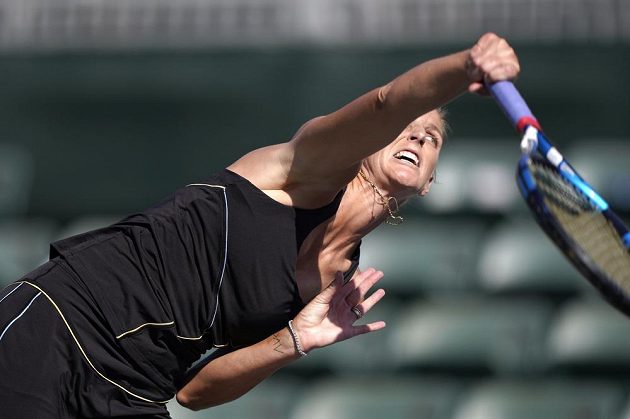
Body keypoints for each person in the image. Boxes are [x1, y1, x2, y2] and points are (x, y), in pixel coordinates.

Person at [0, 32, 519, 418]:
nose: (417, 136)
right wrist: (464, 66)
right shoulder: (305, 167)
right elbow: (388, 102)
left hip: (138, 385)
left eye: (432, 137)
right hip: (66, 321)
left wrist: (294, 339)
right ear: (371, 139)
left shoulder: (335, 280)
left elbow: (195, 392)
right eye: (408, 128)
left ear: (429, 182)